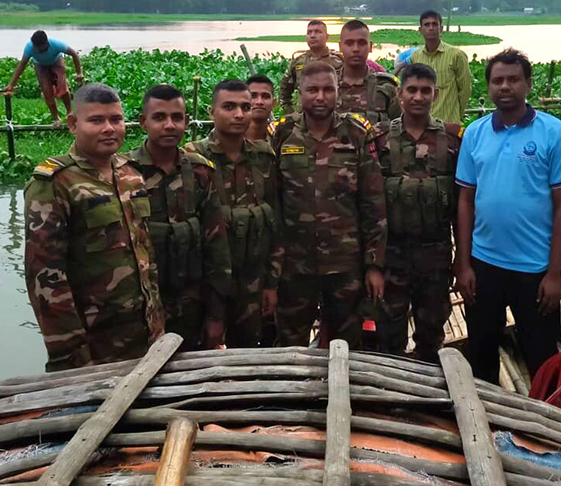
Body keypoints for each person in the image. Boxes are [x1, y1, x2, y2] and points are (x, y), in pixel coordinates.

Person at [454, 48, 561, 383]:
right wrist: (463, 264)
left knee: (541, 355)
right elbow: (465, 200)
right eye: (497, 81)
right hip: (484, 265)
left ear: (528, 85)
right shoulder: (475, 134)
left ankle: (543, 425)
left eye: (513, 79)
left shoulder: (555, 133)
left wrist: (555, 274)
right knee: (481, 350)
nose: (504, 87)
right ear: (489, 87)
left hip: (534, 271)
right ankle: (489, 423)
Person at [23, 83, 163, 372]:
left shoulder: (130, 174)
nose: (109, 128)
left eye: (116, 119)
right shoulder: (54, 183)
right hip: (94, 345)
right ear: (74, 124)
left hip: (146, 334)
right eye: (96, 120)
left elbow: (144, 255)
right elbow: (45, 277)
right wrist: (70, 354)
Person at [270, 61, 387, 348]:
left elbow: (373, 202)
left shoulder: (357, 133)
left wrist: (374, 265)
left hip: (345, 263)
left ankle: (341, 392)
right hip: (295, 266)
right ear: (300, 93)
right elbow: (272, 203)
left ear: (338, 92)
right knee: (290, 342)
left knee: (347, 341)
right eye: (312, 90)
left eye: (327, 90)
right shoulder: (282, 134)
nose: (320, 97)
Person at [126, 85, 232, 350]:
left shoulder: (200, 171)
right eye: (159, 117)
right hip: (141, 310)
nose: (169, 125)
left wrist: (217, 315)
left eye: (177, 117)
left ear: (186, 121)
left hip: (192, 306)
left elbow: (216, 246)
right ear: (143, 122)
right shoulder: (124, 174)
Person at [374, 63, 462, 362]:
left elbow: (462, 205)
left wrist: (462, 259)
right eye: (412, 90)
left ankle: (427, 394)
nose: (418, 97)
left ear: (435, 95)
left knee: (431, 333)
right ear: (400, 94)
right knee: (389, 335)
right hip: (391, 256)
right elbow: (368, 202)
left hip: (435, 257)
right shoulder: (379, 139)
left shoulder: (452, 140)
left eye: (426, 91)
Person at [185, 80, 282, 348]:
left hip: (252, 283)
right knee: (202, 355)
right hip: (206, 286)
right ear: (211, 111)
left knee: (248, 354)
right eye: (229, 107)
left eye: (245, 107)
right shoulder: (192, 160)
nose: (239, 114)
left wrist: (271, 283)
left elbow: (276, 224)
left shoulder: (264, 157)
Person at [5, 30, 84, 126]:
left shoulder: (56, 44)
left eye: (40, 47)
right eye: (36, 47)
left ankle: (69, 113)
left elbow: (74, 54)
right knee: (47, 92)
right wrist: (11, 84)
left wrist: (79, 73)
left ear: (46, 44)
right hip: (40, 65)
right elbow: (21, 66)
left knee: (62, 87)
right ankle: (56, 118)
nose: (38, 49)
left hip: (56, 61)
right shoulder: (29, 48)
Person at [410, 11, 473, 123]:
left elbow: (465, 90)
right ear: (420, 30)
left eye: (435, 24)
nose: (431, 28)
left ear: (441, 28)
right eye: (427, 25)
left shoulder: (456, 55)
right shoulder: (415, 57)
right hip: (423, 125)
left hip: (448, 124)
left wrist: (457, 115)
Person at [336, 20, 400, 124]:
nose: (355, 49)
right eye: (349, 44)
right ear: (340, 47)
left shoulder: (386, 87)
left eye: (361, 43)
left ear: (370, 47)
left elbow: (401, 128)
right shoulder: (327, 86)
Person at [278, 20, 344, 115]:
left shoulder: (339, 61)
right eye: (309, 32)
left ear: (327, 37)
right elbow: (284, 90)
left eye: (318, 32)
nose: (313, 36)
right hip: (304, 119)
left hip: (333, 118)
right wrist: (291, 113)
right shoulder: (298, 62)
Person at [246, 74, 276, 141]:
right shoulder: (228, 138)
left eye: (265, 97)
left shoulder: (282, 139)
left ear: (274, 103)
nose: (259, 102)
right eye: (253, 96)